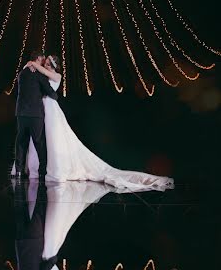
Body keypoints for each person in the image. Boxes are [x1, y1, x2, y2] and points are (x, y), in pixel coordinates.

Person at [22, 54, 174, 192]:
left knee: (54, 139)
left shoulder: (56, 75)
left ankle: (56, 169)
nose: (46, 65)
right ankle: (37, 168)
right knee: (40, 138)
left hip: (51, 109)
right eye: (46, 63)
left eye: (48, 63)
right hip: (41, 109)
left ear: (54, 66)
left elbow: (45, 74)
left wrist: (33, 64)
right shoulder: (42, 74)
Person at [14, 50, 58, 181]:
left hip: (21, 112)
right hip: (35, 113)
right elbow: (49, 91)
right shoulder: (39, 75)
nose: (44, 62)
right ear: (39, 58)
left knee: (21, 141)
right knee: (39, 141)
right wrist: (55, 96)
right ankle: (42, 171)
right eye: (43, 59)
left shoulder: (22, 73)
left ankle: (19, 171)